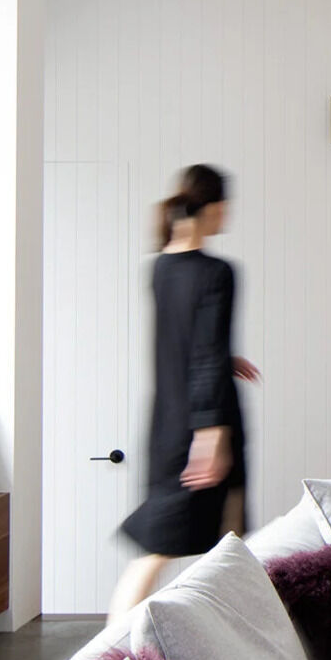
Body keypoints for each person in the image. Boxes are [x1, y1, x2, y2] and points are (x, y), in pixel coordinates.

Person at [109, 164, 260, 625]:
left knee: (203, 543)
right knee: (207, 543)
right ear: (212, 208)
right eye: (225, 208)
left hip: (167, 426)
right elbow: (205, 349)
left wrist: (223, 359)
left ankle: (120, 657)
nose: (227, 218)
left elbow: (188, 341)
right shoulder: (218, 273)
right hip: (206, 428)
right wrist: (211, 435)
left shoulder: (160, 268)